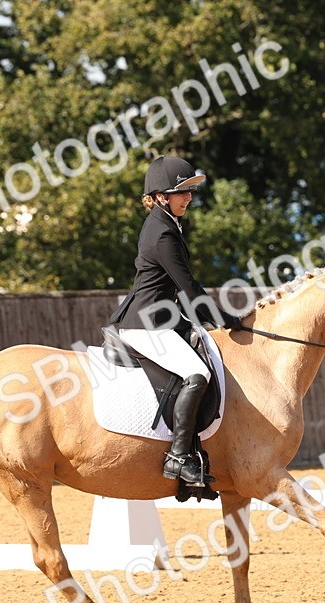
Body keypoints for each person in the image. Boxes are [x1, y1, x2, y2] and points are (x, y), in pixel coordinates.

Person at [108, 155, 242, 486]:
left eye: (190, 191)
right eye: (182, 192)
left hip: (163, 316)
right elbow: (189, 288)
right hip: (146, 323)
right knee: (197, 374)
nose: (189, 198)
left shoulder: (167, 223)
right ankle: (178, 457)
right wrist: (224, 319)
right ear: (160, 196)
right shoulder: (162, 233)